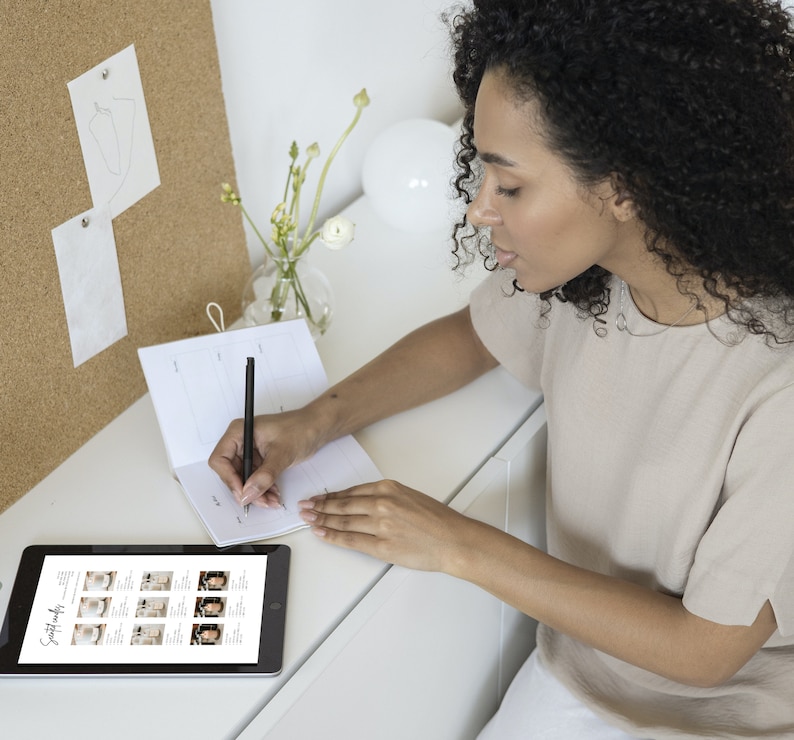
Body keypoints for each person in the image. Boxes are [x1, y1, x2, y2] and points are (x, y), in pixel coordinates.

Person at [209, 1, 794, 736]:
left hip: (724, 717)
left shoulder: (777, 384)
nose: (481, 210)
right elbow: (470, 337)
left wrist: (455, 543)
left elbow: (705, 649)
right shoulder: (590, 280)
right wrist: (313, 422)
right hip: (577, 671)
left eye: (509, 186)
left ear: (624, 187)